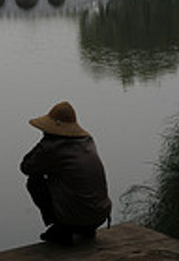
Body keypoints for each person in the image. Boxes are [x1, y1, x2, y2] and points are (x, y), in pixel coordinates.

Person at [20, 101, 112, 245]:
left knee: (34, 180)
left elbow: (26, 167)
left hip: (74, 218)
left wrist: (45, 142)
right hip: (100, 215)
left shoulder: (51, 147)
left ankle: (62, 227)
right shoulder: (87, 141)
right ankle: (85, 229)